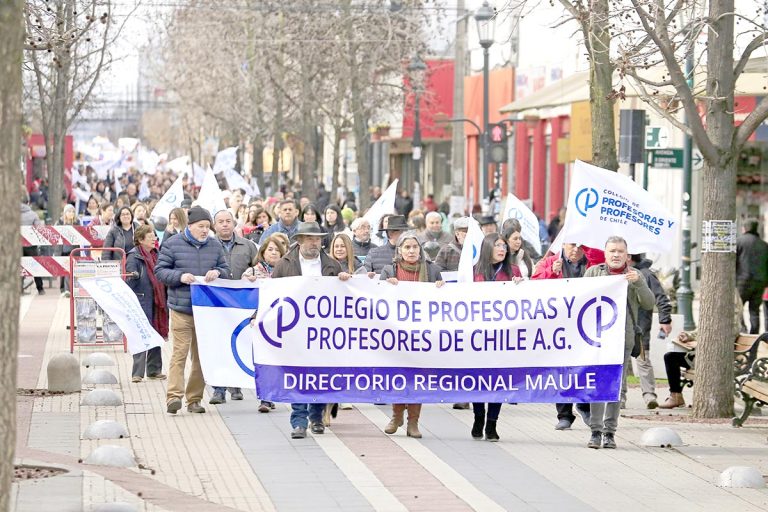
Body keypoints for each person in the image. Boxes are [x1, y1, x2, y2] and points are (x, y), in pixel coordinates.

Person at [272, 221, 346, 439]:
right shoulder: (284, 265)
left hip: (323, 330)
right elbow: (272, 295)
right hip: (295, 329)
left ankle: (316, 418)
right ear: (300, 240)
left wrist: (344, 280)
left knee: (321, 374)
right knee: (298, 374)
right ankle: (299, 421)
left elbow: (343, 298)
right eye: (310, 239)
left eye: (318, 239)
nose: (315, 243)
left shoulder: (332, 265)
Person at [155, 206, 231, 415]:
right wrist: (179, 277)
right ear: (190, 226)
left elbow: (226, 269)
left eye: (208, 227)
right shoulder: (172, 244)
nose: (205, 231)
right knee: (179, 354)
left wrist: (218, 272)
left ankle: (194, 399)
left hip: (206, 311)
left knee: (200, 357)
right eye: (201, 227)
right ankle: (174, 397)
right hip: (181, 309)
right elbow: (160, 271)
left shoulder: (215, 246)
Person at [583, 236, 654, 449]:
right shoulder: (594, 273)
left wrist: (639, 283)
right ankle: (595, 430)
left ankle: (610, 432)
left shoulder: (634, 276)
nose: (616, 255)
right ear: (605, 254)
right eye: (612, 251)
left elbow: (649, 303)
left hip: (622, 340)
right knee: (597, 385)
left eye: (620, 251)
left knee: (615, 387)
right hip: (596, 339)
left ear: (627, 255)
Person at [532, 242, 604, 430]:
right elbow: (533, 287)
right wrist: (551, 273)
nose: (576, 250)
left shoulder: (592, 263)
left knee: (585, 366)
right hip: (559, 326)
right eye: (572, 245)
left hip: (585, 325)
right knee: (562, 368)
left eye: (581, 246)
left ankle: (584, 405)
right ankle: (564, 414)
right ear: (563, 244)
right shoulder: (548, 262)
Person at [380, 232, 444, 438]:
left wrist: (442, 289)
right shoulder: (389, 270)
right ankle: (396, 415)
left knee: (417, 378)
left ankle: (413, 423)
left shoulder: (432, 271)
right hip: (397, 334)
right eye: (406, 247)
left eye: (414, 247)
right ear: (399, 251)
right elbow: (377, 299)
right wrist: (384, 286)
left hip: (422, 335)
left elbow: (444, 301)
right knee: (398, 375)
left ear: (420, 249)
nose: (411, 251)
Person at [469, 233, 522, 441]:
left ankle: (492, 423)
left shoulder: (514, 272)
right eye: (498, 245)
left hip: (502, 336)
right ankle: (478, 417)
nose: (502, 249)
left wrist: (521, 286)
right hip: (477, 335)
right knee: (478, 378)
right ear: (488, 247)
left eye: (504, 246)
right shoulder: (473, 272)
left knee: (498, 380)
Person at [209, 210, 259, 405]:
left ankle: (236, 385)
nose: (224, 225)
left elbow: (258, 266)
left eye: (228, 221)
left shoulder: (247, 246)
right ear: (215, 225)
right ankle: (218, 389)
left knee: (241, 342)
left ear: (234, 223)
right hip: (218, 303)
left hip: (242, 304)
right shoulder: (209, 247)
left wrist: (254, 275)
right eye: (220, 222)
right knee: (219, 345)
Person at [623, 254, 672, 410]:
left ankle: (649, 395)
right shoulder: (618, 274)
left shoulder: (645, 274)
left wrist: (665, 319)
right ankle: (621, 398)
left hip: (639, 328)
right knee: (622, 363)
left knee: (642, 361)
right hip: (622, 328)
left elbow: (660, 297)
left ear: (629, 256)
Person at [126, 224, 168, 383]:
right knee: (141, 334)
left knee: (156, 333)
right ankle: (137, 372)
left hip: (157, 301)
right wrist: (133, 275)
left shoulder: (157, 255)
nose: (154, 239)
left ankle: (154, 370)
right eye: (150, 237)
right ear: (141, 240)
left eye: (154, 237)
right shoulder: (133, 256)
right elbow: (129, 279)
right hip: (141, 299)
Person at [736, 218, 768, 333]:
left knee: (738, 308)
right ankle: (754, 336)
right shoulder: (764, 245)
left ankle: (743, 331)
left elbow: (734, 262)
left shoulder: (739, 242)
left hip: (742, 281)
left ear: (744, 228)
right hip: (760, 283)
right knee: (754, 311)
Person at [21, 197, 45, 295]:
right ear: (28, 202)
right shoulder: (33, 214)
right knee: (35, 266)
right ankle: (40, 288)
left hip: (18, 245)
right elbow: (39, 229)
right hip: (31, 245)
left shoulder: (12, 213)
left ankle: (19, 288)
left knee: (19, 266)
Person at [55, 204, 78, 297]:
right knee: (62, 270)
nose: (71, 213)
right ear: (65, 213)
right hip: (62, 249)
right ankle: (63, 289)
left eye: (72, 211)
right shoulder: (59, 222)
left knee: (70, 270)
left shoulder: (77, 222)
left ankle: (68, 289)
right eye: (69, 211)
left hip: (73, 249)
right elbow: (55, 235)